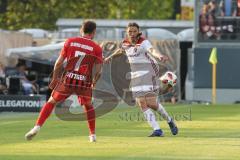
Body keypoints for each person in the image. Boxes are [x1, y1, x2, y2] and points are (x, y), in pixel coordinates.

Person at [25, 20, 103, 142]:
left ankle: (37, 127)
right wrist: (94, 82)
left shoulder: (70, 42)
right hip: (83, 81)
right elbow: (98, 71)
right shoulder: (96, 48)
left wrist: (55, 78)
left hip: (68, 79)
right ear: (93, 32)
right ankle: (92, 135)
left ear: (81, 30)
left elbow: (58, 63)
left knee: (51, 102)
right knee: (88, 106)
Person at [104, 22, 178, 137]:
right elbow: (120, 51)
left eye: (134, 31)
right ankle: (157, 129)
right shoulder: (125, 43)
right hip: (136, 75)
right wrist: (109, 57)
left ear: (138, 32)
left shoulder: (143, 42)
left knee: (151, 102)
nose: (132, 34)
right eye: (130, 32)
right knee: (142, 103)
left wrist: (159, 56)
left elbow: (152, 50)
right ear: (127, 33)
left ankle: (169, 120)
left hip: (149, 71)